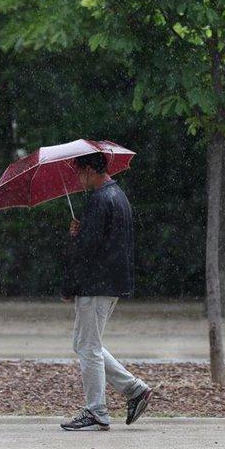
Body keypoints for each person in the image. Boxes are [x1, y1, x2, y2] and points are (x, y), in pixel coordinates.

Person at [60, 151, 152, 431]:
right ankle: (134, 389)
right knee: (85, 344)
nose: (78, 177)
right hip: (109, 282)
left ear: (89, 169)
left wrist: (69, 284)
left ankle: (97, 411)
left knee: (88, 347)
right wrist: (82, 231)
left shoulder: (100, 200)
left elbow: (88, 250)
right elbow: (103, 241)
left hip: (96, 284)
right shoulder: (117, 196)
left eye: (79, 171)